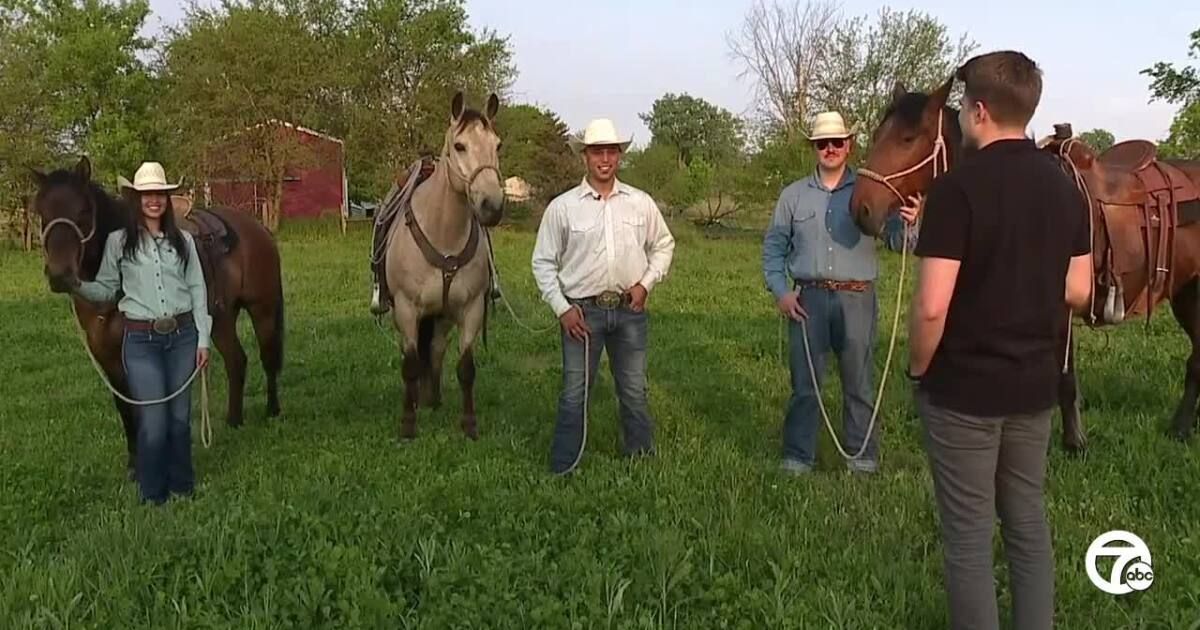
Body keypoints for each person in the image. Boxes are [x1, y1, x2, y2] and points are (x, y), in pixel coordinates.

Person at [907, 51, 1092, 630]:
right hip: (1035, 388)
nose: (960, 117)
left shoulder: (957, 191)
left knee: (967, 538)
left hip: (963, 392)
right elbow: (1081, 291)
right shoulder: (1067, 190)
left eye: (963, 107)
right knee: (1027, 525)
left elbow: (933, 305)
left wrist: (917, 369)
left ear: (979, 111)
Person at [762, 111, 919, 476]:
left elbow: (898, 241)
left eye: (837, 142)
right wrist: (782, 293)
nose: (830, 149)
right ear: (814, 148)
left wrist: (911, 222)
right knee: (805, 385)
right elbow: (773, 249)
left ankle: (862, 457)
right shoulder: (793, 196)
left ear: (849, 145)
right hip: (808, 300)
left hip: (857, 298)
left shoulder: (871, 191)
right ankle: (798, 457)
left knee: (859, 382)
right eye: (822, 143)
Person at [531, 118, 676, 475]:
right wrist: (562, 309)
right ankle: (566, 464)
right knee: (575, 392)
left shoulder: (640, 203)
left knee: (634, 389)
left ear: (620, 156)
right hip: (582, 315)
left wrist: (645, 284)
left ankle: (640, 459)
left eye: (612, 151)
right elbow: (543, 262)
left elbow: (663, 245)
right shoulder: (562, 208)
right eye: (598, 151)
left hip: (629, 309)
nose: (605, 158)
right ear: (585, 156)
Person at [72, 161, 213, 506]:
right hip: (141, 341)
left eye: (159, 194)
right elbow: (105, 288)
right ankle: (153, 493)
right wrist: (75, 285)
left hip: (182, 337)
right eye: (146, 194)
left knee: (179, 419)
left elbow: (197, 289)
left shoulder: (185, 242)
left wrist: (204, 338)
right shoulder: (120, 243)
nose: (153, 200)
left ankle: (182, 485)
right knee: (152, 419)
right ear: (136, 199)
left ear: (166, 199)